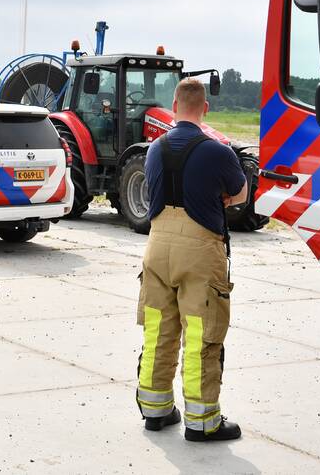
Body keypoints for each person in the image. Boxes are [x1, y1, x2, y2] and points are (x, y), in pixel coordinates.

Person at [136, 78, 247, 441]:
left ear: (174, 105)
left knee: (158, 329)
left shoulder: (155, 148)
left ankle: (155, 410)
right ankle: (202, 422)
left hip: (156, 246)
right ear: (205, 109)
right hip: (199, 250)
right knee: (200, 334)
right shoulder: (218, 151)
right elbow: (240, 194)